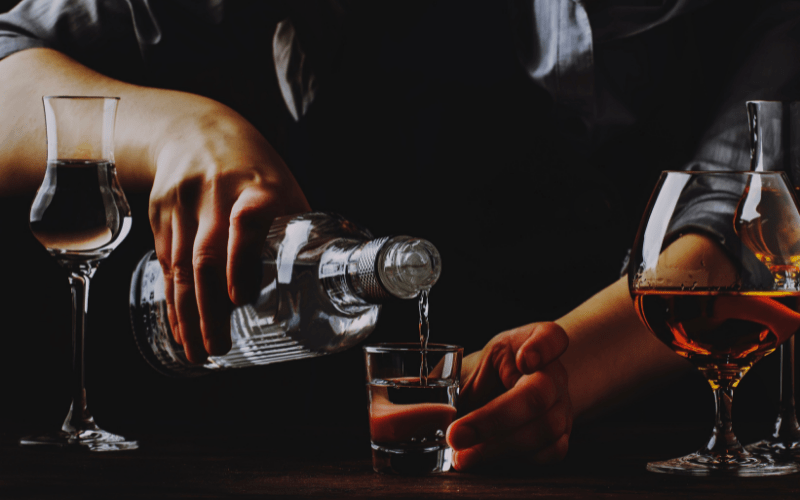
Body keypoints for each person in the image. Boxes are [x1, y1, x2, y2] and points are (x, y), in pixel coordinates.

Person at [0, 0, 797, 471]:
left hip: (635, 442)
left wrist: (564, 373)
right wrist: (182, 131)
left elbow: (747, 216)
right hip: (280, 445)